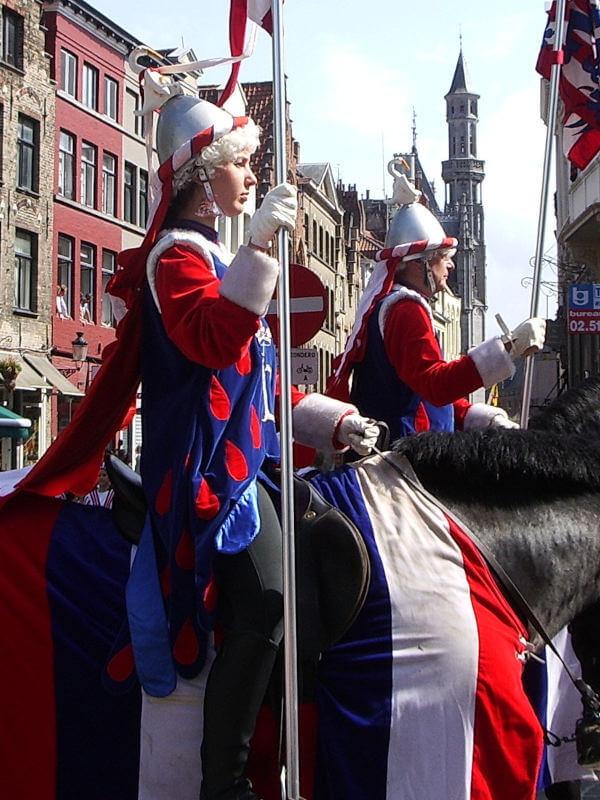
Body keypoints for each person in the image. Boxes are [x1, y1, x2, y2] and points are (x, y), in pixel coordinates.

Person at [112, 79, 378, 800]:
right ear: (202, 176)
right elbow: (208, 340)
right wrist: (260, 246)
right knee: (268, 595)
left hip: (245, 459)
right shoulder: (176, 259)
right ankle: (223, 780)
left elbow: (257, 382)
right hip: (201, 469)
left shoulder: (218, 262)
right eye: (239, 163)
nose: (253, 176)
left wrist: (335, 421)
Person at [327, 162, 546, 438]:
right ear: (419, 264)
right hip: (405, 453)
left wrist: (479, 419)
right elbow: (435, 385)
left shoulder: (394, 304)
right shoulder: (406, 309)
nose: (450, 267)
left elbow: (426, 398)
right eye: (443, 258)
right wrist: (508, 348)